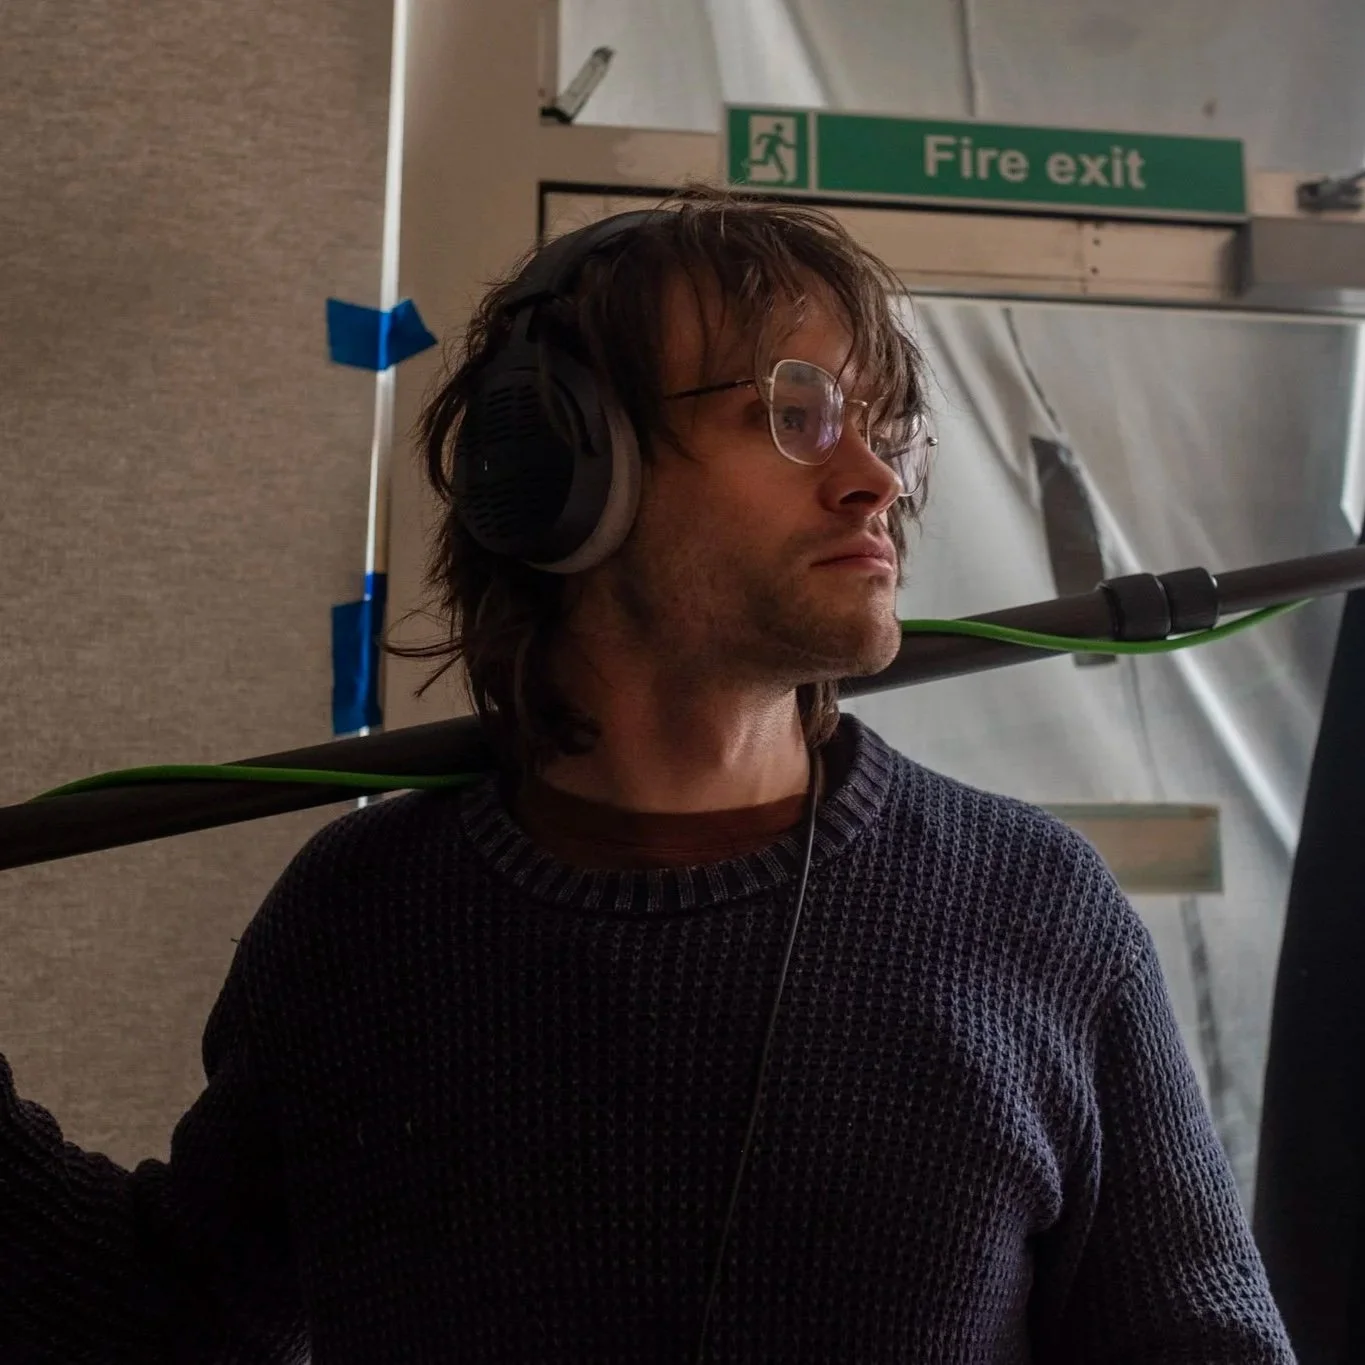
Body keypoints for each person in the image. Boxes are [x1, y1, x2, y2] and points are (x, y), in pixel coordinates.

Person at [1, 191, 1294, 1363]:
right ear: (560, 467)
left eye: (884, 432)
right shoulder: (361, 917)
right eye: (794, 415)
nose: (872, 484)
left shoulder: (1034, 913)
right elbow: (175, 1321)